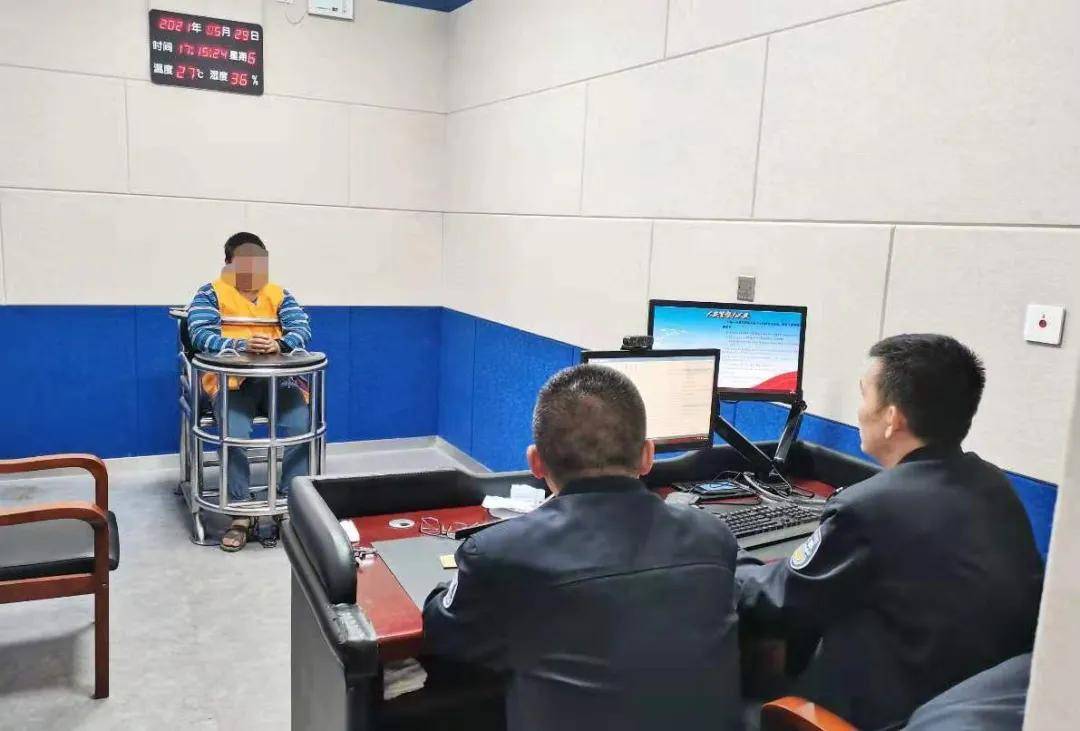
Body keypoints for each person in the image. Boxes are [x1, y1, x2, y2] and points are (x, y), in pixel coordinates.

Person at [736, 334, 1044, 729]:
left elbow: (776, 598)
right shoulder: (993, 484)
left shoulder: (866, 507)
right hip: (976, 707)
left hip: (889, 716)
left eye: (865, 395)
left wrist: (722, 552)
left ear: (892, 419)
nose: (860, 409)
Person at [423, 364, 744, 730]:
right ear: (647, 455)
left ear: (535, 462)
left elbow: (443, 632)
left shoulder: (498, 554)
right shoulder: (713, 536)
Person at [187, 232, 313, 552]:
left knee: (302, 424)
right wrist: (242, 345)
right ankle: (240, 513)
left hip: (277, 380)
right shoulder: (210, 293)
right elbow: (200, 335)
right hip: (231, 381)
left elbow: (302, 329)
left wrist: (279, 344)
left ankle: (288, 505)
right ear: (229, 264)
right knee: (234, 432)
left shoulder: (280, 294)